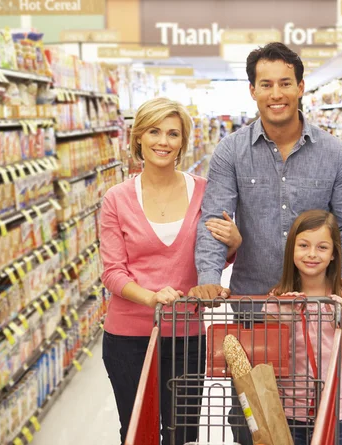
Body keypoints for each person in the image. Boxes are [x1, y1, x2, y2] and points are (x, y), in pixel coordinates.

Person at [191, 41, 342, 444]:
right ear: (252, 90)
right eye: (266, 84)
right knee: (256, 424)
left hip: (317, 309)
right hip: (254, 307)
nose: (276, 94)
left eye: (285, 83)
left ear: (301, 87)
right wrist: (208, 277)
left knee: (319, 414)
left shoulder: (334, 153)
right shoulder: (231, 152)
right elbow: (213, 222)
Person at [99, 97, 239, 445]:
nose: (163, 141)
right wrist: (151, 297)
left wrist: (235, 244)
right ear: (138, 139)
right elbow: (112, 272)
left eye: (173, 133)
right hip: (128, 337)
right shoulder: (116, 198)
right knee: (137, 432)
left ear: (183, 142)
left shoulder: (205, 192)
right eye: (154, 131)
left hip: (186, 333)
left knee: (182, 434)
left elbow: (214, 256)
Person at [266, 209, 342, 445]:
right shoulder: (277, 300)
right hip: (288, 417)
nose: (312, 254)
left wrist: (340, 324)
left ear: (333, 254)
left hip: (336, 416)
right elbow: (268, 368)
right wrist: (287, 321)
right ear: (291, 249)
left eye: (322, 247)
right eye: (303, 245)